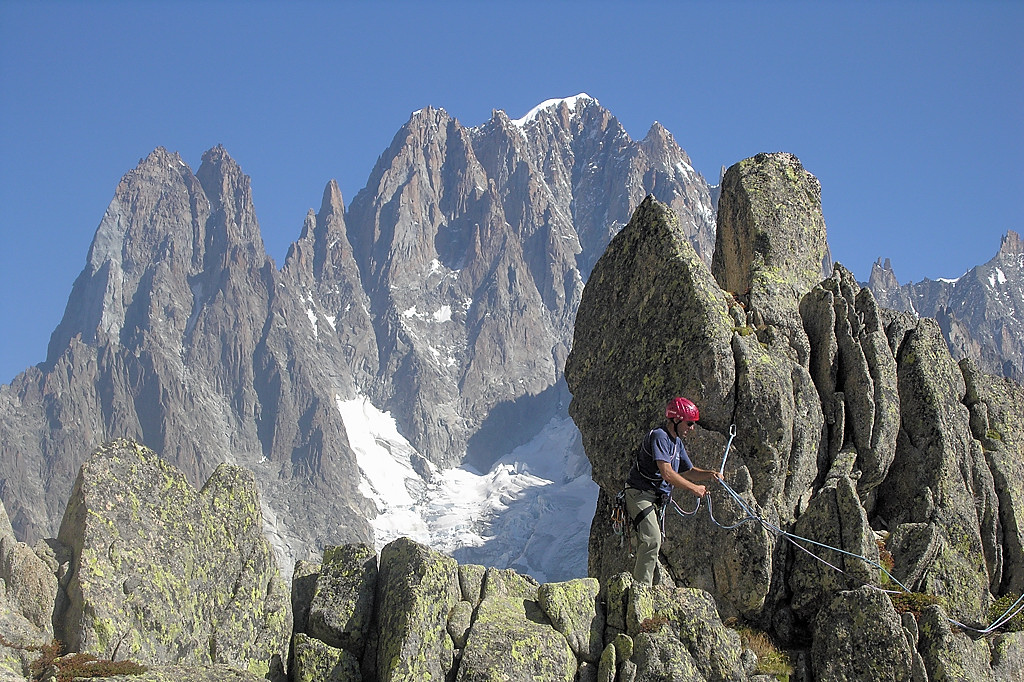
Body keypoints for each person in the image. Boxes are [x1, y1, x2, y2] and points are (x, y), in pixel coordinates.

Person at [623, 397, 722, 585]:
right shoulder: (660, 437)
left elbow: (689, 471)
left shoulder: (676, 443)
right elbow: (667, 473)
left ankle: (643, 586)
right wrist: (694, 489)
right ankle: (641, 590)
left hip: (652, 497)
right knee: (652, 540)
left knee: (652, 540)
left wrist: (711, 474)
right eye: (689, 423)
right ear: (676, 420)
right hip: (640, 493)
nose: (692, 428)